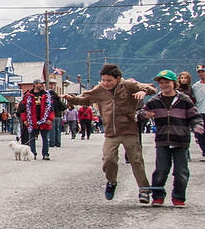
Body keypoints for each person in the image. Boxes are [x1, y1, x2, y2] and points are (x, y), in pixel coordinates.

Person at [64, 64, 156, 201]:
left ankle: (144, 189)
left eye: (109, 80)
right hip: (110, 132)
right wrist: (71, 98)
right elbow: (86, 99)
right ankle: (111, 181)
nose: (106, 83)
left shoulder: (129, 85)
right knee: (108, 159)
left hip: (129, 130)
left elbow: (152, 89)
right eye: (104, 80)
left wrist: (144, 91)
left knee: (136, 160)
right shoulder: (100, 89)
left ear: (118, 78)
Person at [140, 70, 202, 207]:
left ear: (174, 83)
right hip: (162, 140)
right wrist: (145, 115)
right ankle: (158, 196)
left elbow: (195, 116)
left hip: (181, 140)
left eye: (167, 82)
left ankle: (179, 197)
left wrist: (197, 125)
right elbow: (141, 113)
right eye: (161, 83)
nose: (164, 85)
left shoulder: (184, 100)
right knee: (161, 170)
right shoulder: (155, 101)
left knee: (181, 171)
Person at [20, 79, 54, 160]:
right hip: (32, 120)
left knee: (45, 138)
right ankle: (33, 154)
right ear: (35, 84)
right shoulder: (28, 95)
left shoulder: (47, 95)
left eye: (42, 83)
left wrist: (50, 119)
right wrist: (25, 120)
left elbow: (51, 109)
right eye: (40, 83)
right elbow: (23, 109)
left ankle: (45, 154)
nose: (42, 85)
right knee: (32, 138)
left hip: (44, 120)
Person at [193, 64, 205, 161]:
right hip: (200, 112)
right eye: (199, 72)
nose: (201, 74)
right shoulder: (195, 86)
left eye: (203, 71)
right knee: (201, 133)